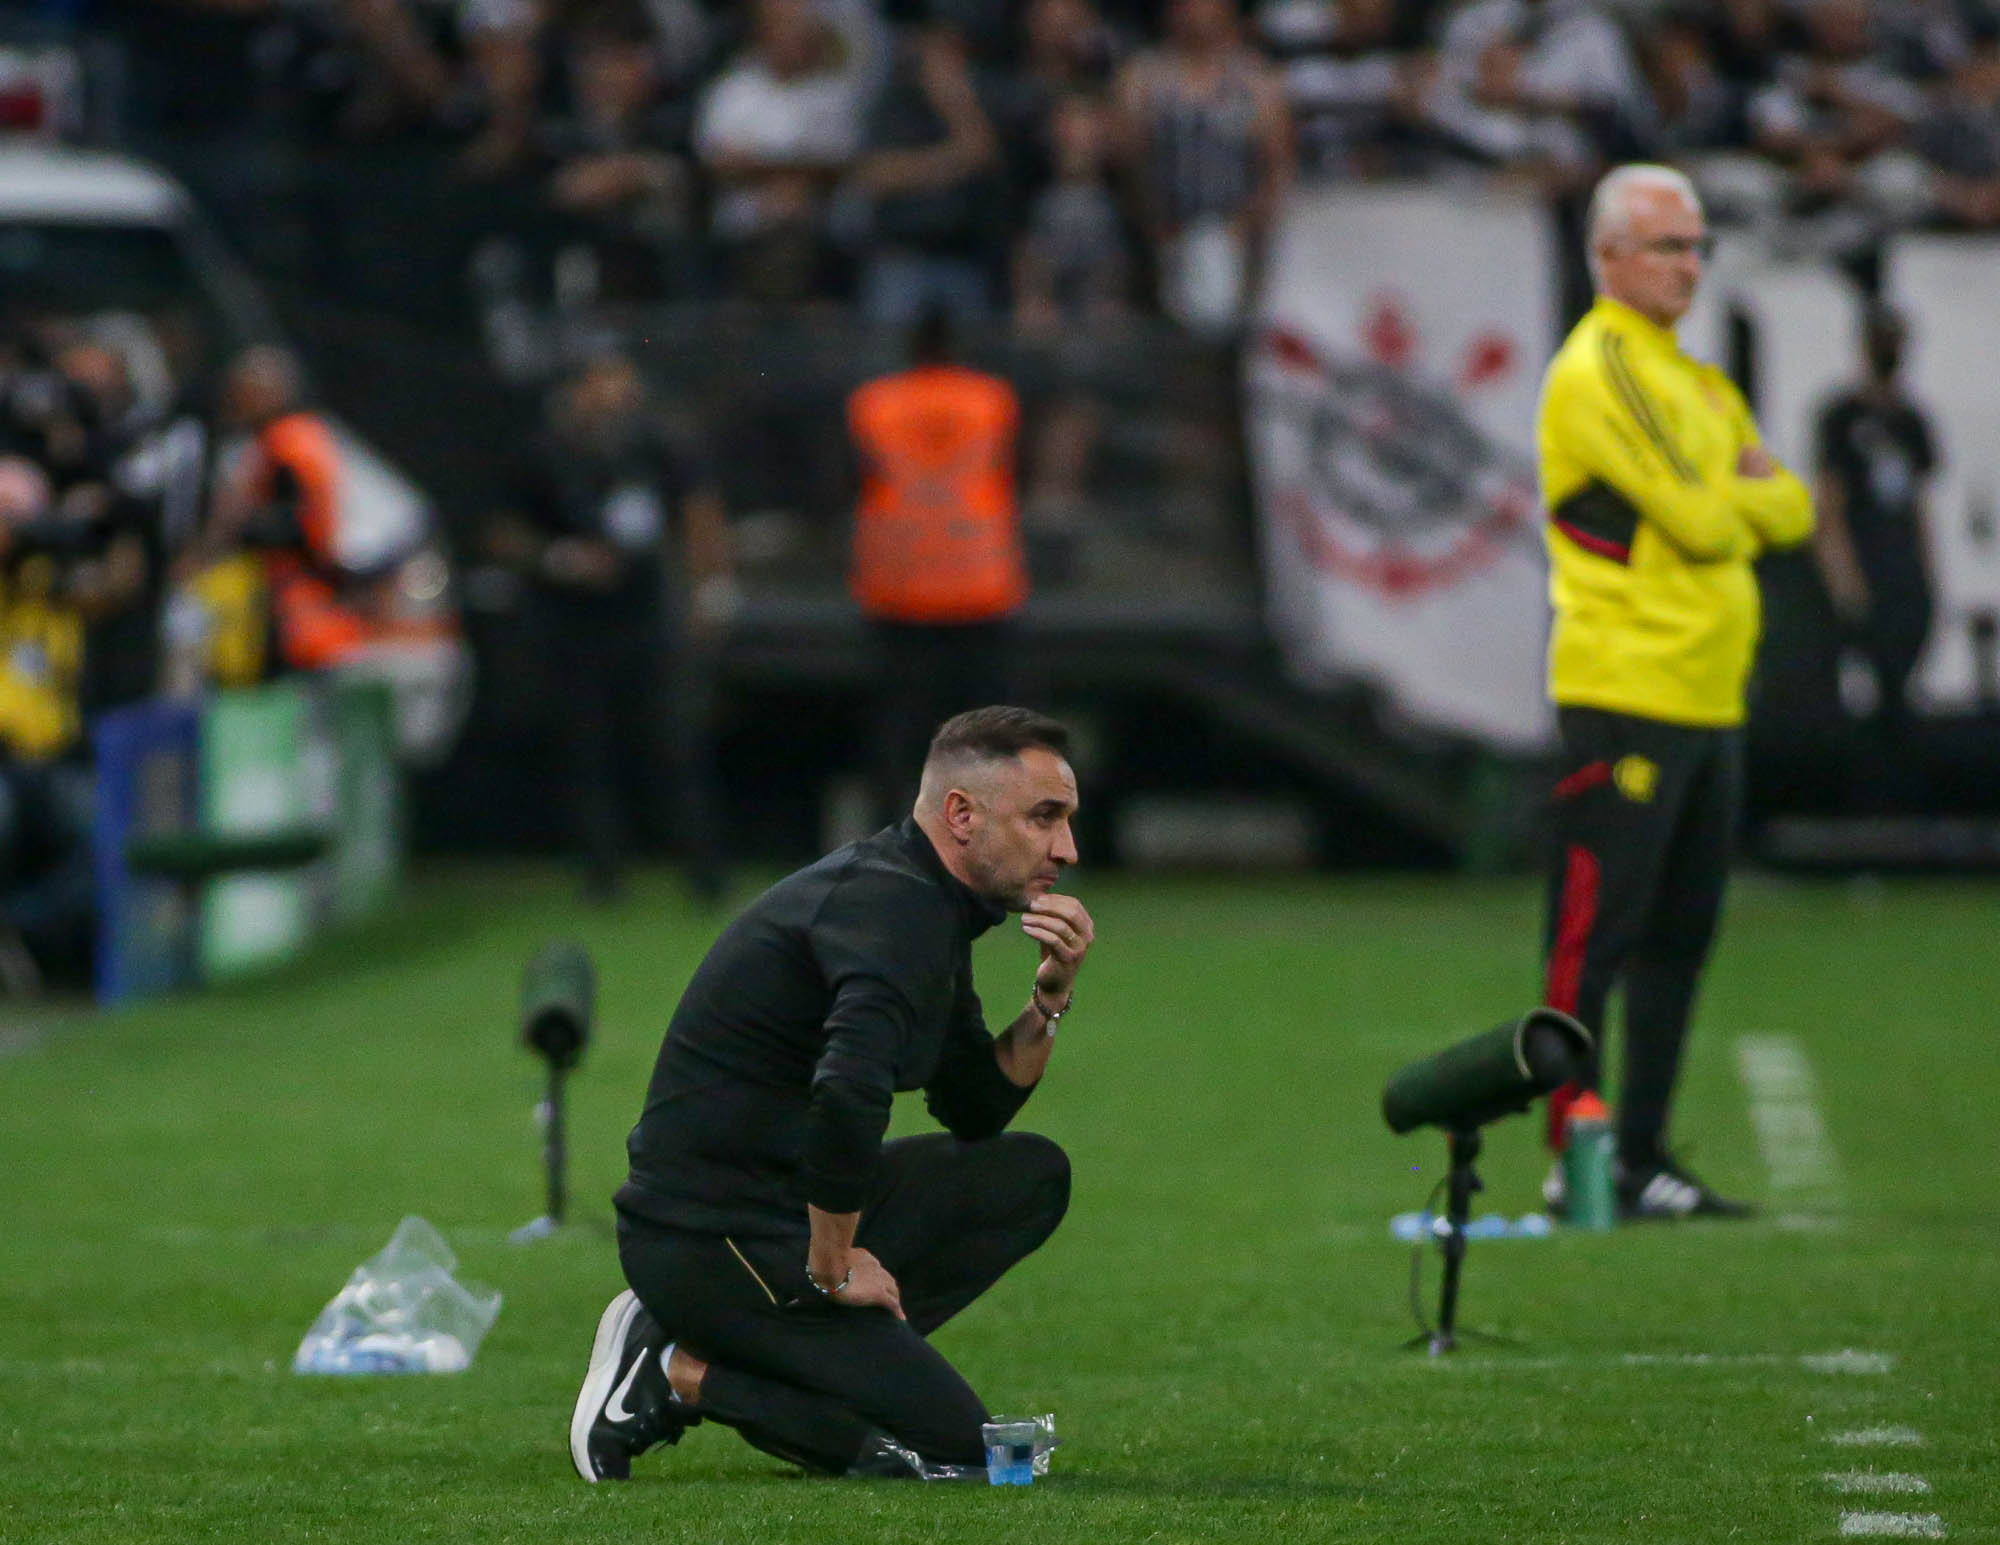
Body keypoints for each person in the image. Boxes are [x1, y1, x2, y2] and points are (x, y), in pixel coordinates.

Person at [568, 705, 1091, 1481]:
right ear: (960, 813)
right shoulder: (892, 913)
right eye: (1045, 817)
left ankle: (807, 1348)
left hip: (782, 1198)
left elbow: (975, 1108)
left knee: (1027, 1174)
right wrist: (836, 1263)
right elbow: (847, 1095)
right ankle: (680, 1372)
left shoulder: (926, 904)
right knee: (955, 1448)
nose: (1067, 848)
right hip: (710, 1233)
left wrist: (1049, 996)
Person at [1534, 163, 1814, 1220]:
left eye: (1695, 245)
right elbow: (1713, 520)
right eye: (1666, 245)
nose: (1687, 264)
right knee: (1592, 937)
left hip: (1706, 694)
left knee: (1679, 939)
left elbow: (1786, 507)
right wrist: (1728, 500)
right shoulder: (1595, 368)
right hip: (1624, 688)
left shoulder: (1695, 379)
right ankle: (1579, 1158)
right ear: (1605, 256)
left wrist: (1729, 501)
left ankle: (1642, 1155)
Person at [486, 351, 732, 901]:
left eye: (620, 382)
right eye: (599, 383)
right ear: (575, 390)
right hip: (574, 626)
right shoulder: (543, 453)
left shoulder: (658, 445)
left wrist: (710, 590)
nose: (612, 395)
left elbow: (699, 513)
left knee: (673, 747)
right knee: (586, 753)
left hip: (647, 620)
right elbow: (501, 532)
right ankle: (603, 876)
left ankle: (704, 871)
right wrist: (557, 557)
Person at [848, 310, 1028, 827]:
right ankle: (999, 835)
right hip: (982, 581)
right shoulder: (993, 399)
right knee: (992, 734)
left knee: (898, 731)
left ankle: (889, 833)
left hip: (897, 583)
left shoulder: (874, 402)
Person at [1811, 303, 1936, 804]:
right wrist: (1845, 579)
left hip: (1903, 569)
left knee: (1901, 693)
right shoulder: (1843, 417)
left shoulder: (1911, 420)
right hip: (1868, 569)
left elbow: (1919, 506)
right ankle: (1862, 799)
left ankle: (1902, 800)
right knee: (1865, 689)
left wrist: (1928, 574)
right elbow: (1831, 504)